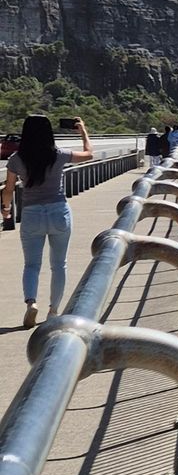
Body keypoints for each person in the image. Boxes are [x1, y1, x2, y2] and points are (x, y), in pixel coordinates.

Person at [4, 113, 95, 328]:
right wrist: (83, 131)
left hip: (32, 214)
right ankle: (53, 311)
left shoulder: (16, 159)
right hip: (58, 212)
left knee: (32, 265)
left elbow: (8, 190)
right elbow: (89, 154)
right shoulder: (59, 155)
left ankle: (31, 304)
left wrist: (6, 209)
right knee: (59, 264)